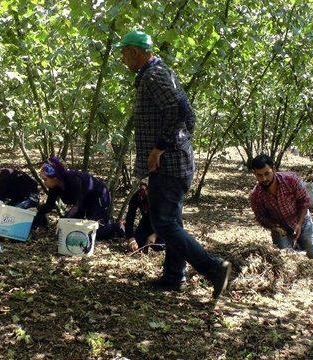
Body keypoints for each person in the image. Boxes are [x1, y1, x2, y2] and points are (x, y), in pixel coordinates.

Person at [117, 30, 231, 300]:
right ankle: (173, 276)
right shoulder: (161, 73)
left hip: (168, 164)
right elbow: (188, 117)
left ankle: (213, 268)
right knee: (172, 221)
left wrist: (160, 148)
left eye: (123, 53)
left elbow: (178, 113)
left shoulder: (155, 75)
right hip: (175, 161)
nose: (123, 60)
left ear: (134, 52)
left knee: (165, 223)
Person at [249, 154, 313, 259]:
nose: (264, 178)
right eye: (259, 175)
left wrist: (299, 224)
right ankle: (297, 248)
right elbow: (260, 217)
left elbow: (304, 200)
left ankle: (303, 246)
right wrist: (274, 227)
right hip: (281, 228)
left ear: (273, 169)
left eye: (267, 173)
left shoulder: (290, 180)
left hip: (302, 221)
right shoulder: (255, 195)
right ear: (254, 174)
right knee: (285, 258)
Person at [34, 156, 123, 240]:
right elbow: (49, 205)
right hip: (85, 200)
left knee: (94, 231)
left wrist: (64, 221)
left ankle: (116, 226)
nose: (44, 183)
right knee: (75, 229)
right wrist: (35, 210)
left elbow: (78, 205)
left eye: (45, 179)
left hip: (99, 196)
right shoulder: (54, 186)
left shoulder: (73, 180)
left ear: (56, 178)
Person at [124, 178, 165, 252]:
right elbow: (130, 217)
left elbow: (169, 219)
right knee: (138, 246)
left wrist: (155, 234)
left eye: (147, 188)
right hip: (146, 223)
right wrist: (131, 238)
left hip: (163, 226)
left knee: (158, 247)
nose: (144, 191)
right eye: (142, 187)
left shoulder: (162, 196)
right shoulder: (138, 196)